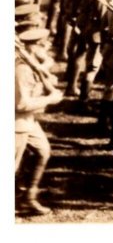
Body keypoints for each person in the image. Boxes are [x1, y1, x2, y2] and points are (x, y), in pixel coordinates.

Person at [15, 28, 63, 216]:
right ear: (36, 46)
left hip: (28, 121)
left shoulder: (31, 62)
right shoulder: (22, 69)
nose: (48, 46)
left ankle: (28, 197)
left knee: (43, 151)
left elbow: (44, 76)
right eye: (45, 44)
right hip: (16, 123)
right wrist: (49, 100)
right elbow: (21, 104)